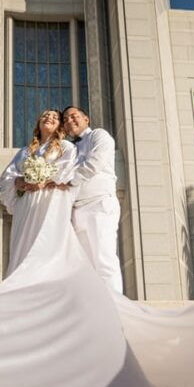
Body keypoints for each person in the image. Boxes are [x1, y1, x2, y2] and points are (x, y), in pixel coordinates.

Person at [0, 110, 78, 275]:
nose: (49, 117)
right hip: (26, 203)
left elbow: (67, 171)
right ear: (38, 123)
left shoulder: (66, 147)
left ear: (60, 126)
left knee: (46, 242)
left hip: (50, 200)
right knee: (23, 245)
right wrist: (17, 181)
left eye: (54, 117)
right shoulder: (25, 151)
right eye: (45, 115)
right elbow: (8, 175)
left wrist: (45, 180)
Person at [62, 106, 123, 294]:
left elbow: (95, 163)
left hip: (99, 204)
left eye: (74, 116)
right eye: (65, 119)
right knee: (86, 267)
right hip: (77, 211)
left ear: (86, 119)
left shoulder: (99, 135)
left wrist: (67, 181)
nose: (69, 120)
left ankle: (114, 306)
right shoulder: (68, 149)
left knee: (104, 259)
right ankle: (94, 307)